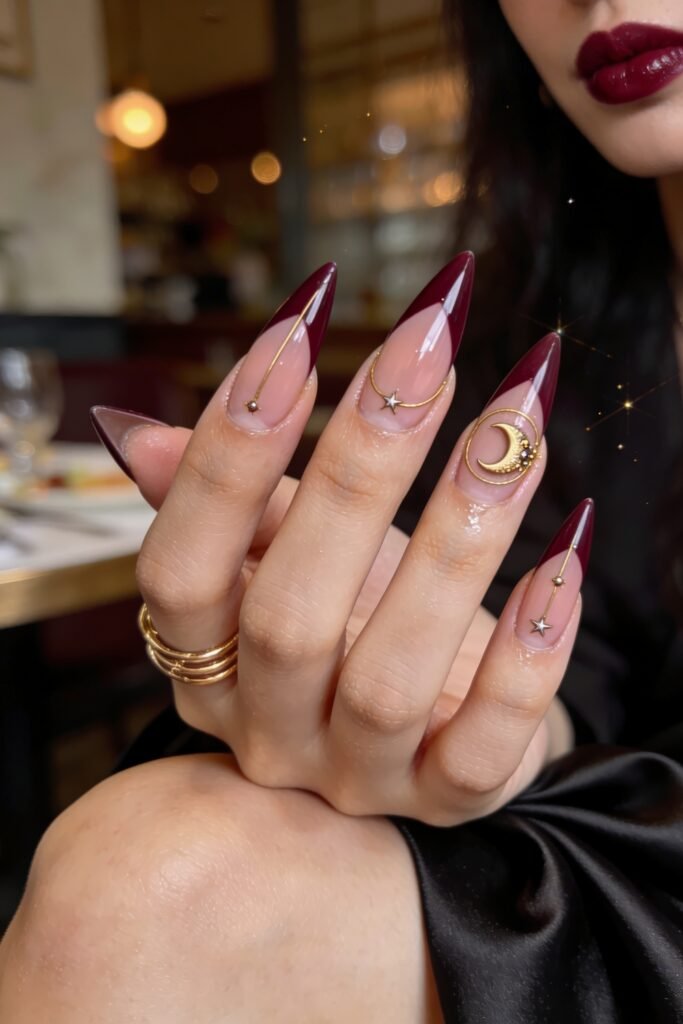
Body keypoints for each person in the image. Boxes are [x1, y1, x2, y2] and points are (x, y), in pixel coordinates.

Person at [1, 1, 682, 1020]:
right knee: (141, 887)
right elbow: (568, 662)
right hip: (620, 818)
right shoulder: (547, 335)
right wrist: (484, 718)